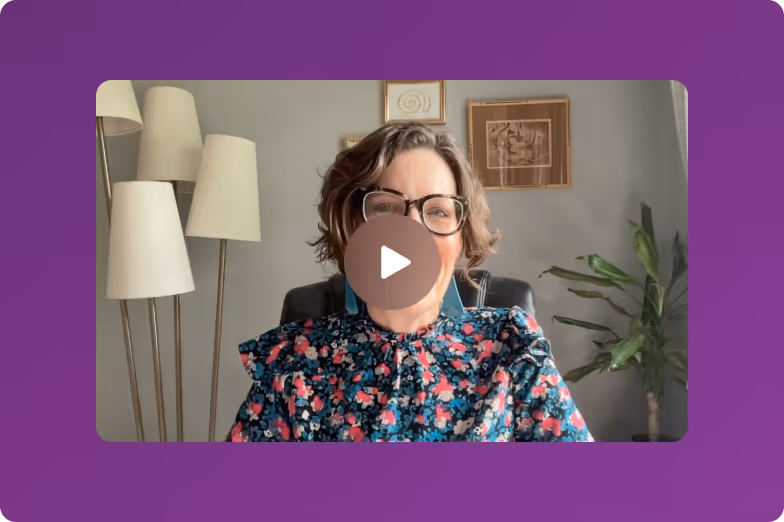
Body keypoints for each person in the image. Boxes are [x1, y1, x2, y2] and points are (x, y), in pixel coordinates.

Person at [226, 122, 593, 442]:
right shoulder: (294, 364)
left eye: (437, 211)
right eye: (385, 208)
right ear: (353, 228)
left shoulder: (512, 348)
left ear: (461, 236)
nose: (412, 233)